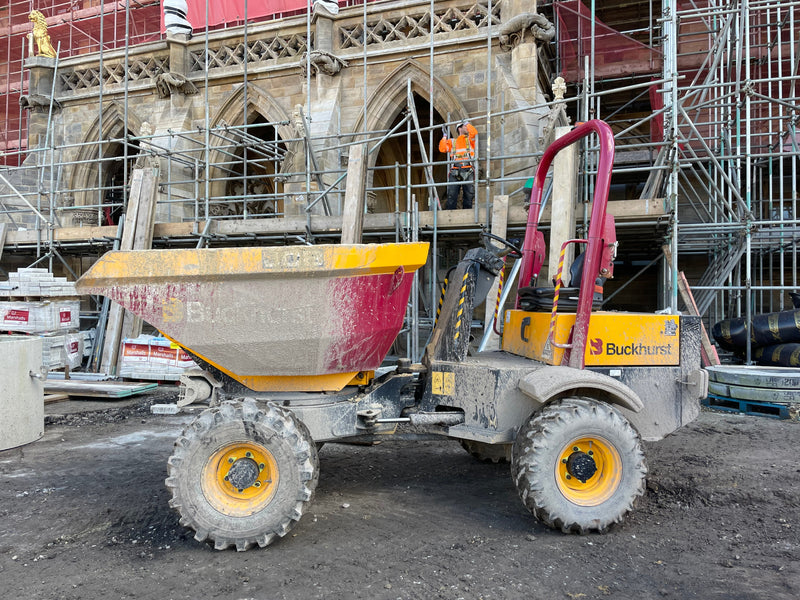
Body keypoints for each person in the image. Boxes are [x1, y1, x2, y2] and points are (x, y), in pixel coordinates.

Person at [439, 121, 478, 210]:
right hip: (455, 170)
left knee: (469, 195)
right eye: (465, 126)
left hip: (468, 169)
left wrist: (467, 123)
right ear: (459, 128)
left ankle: (467, 213)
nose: (467, 128)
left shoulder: (470, 140)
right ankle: (450, 215)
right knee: (451, 195)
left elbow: (474, 133)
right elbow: (442, 148)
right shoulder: (453, 142)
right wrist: (444, 137)